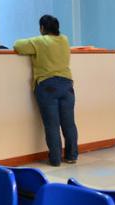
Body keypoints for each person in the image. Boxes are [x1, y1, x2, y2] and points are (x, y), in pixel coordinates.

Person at [13, 15, 78, 166]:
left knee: (52, 125)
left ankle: (55, 160)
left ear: (42, 28)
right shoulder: (64, 39)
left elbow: (17, 45)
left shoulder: (40, 41)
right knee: (69, 124)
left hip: (48, 86)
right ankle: (71, 156)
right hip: (68, 86)